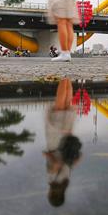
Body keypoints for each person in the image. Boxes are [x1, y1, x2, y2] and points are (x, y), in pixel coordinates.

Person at [44, 78, 82, 207]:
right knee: (59, 105)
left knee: (67, 103)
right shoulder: (53, 178)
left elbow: (75, 160)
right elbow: (56, 163)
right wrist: (47, 155)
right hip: (55, 139)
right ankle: (63, 75)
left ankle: (68, 77)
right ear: (52, 195)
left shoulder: (66, 179)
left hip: (68, 136)